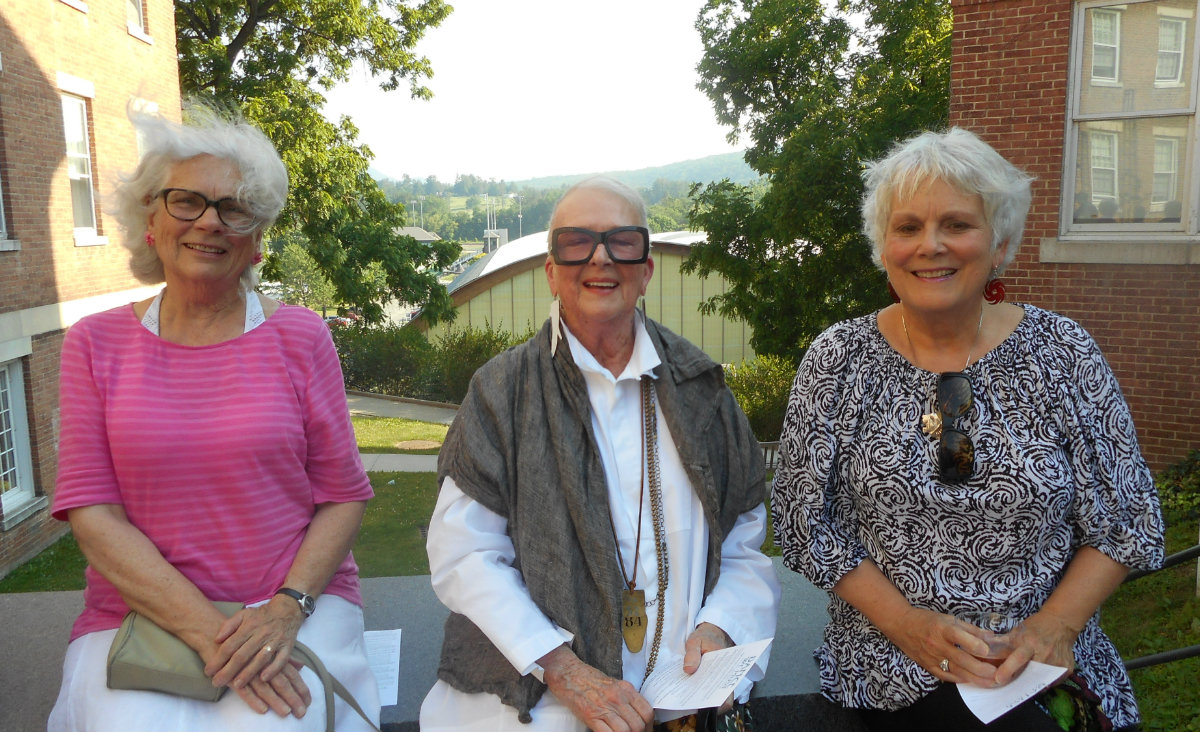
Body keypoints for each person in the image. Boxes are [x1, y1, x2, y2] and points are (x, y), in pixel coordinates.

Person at [771, 128, 1164, 732]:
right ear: (884, 246)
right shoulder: (838, 360)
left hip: (1042, 671)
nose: (930, 245)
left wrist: (1054, 627)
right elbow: (804, 523)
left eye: (956, 224)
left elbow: (1128, 517)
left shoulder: (1063, 354)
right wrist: (909, 626)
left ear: (999, 243)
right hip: (890, 671)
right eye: (908, 227)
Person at [47, 105, 380, 731]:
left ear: (255, 240)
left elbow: (342, 497)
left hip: (292, 605)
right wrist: (216, 637)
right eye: (186, 201)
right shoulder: (94, 343)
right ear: (151, 219)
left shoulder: (302, 337)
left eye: (234, 209)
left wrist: (284, 610)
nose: (209, 221)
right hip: (138, 615)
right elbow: (93, 515)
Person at [420, 176, 780, 732]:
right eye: (577, 242)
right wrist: (563, 670)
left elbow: (743, 543)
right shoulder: (502, 392)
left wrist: (722, 628)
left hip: (679, 699)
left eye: (622, 241)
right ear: (551, 271)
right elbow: (465, 554)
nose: (600, 257)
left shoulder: (701, 387)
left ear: (647, 269)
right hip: (540, 705)